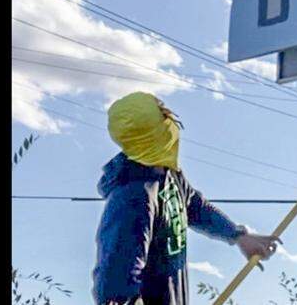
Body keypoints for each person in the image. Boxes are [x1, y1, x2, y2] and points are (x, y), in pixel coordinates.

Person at [93, 91, 280, 304]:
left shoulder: (169, 174)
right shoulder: (133, 197)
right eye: (163, 115)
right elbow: (115, 285)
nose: (171, 119)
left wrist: (238, 236)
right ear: (154, 132)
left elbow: (194, 207)